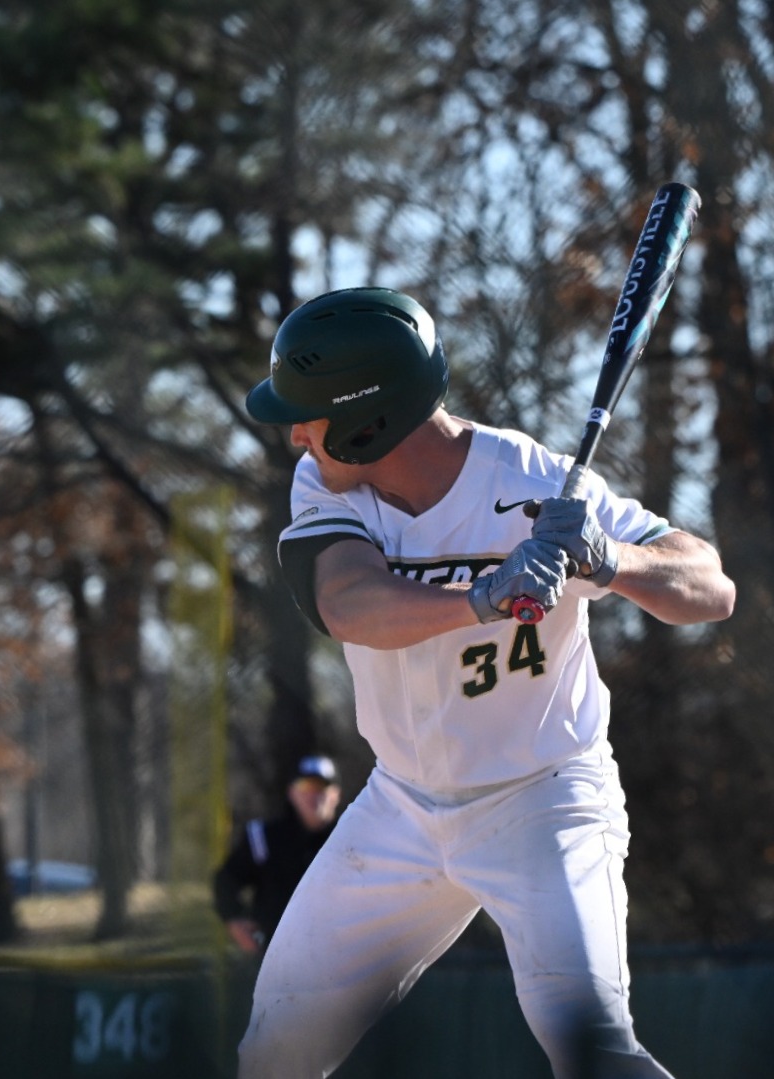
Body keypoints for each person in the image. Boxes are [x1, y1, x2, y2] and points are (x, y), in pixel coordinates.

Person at [236, 286, 735, 1079]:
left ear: (372, 420)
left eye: (311, 415)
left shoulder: (536, 478)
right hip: (399, 808)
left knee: (593, 1050)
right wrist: (477, 597)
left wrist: (610, 558)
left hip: (544, 801)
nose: (296, 434)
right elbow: (349, 601)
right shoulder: (328, 482)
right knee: (273, 1054)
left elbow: (712, 584)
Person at [213, 754, 344, 955]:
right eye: (305, 786)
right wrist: (235, 919)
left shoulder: (353, 841)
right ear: (292, 793)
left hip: (341, 959)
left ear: (336, 794)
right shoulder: (263, 839)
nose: (313, 794)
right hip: (276, 960)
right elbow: (226, 881)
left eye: (321, 787)